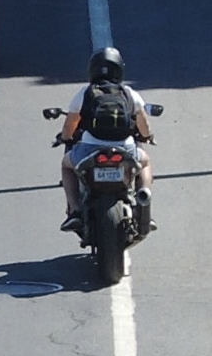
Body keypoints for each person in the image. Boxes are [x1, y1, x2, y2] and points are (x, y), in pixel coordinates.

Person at [56, 46, 156, 233]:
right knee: (145, 162)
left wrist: (65, 138)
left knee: (66, 165)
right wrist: (147, 136)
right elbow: (143, 123)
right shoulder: (128, 93)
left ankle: (75, 210)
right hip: (125, 149)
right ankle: (144, 201)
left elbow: (70, 124)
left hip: (90, 149)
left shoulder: (85, 93)